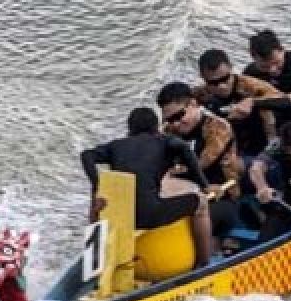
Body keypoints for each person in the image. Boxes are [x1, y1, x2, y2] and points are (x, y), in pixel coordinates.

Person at [80, 107, 214, 268]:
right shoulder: (164, 141)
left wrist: (97, 185)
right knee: (201, 203)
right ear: (156, 128)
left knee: (98, 198)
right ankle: (203, 263)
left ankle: (94, 263)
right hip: (149, 216)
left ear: (130, 129)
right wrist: (204, 185)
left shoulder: (115, 145)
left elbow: (86, 155)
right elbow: (184, 148)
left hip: (118, 219)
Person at [157, 81, 246, 254]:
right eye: (169, 119)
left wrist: (168, 173)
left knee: (184, 225)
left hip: (222, 197)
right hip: (186, 197)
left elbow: (199, 165)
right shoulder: (168, 131)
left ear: (193, 104)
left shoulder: (219, 127)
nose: (175, 124)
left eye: (178, 116)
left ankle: (203, 261)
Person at [193, 49, 280, 157]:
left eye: (225, 79)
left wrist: (253, 102)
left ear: (231, 67)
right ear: (203, 77)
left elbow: (283, 99)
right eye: (213, 82)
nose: (222, 86)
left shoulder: (251, 85)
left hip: (260, 141)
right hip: (225, 145)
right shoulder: (199, 94)